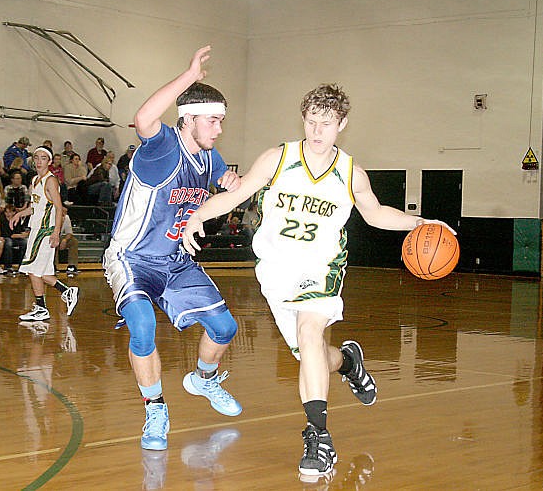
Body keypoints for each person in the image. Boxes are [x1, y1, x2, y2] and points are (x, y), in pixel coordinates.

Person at [182, 83, 456, 477]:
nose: (316, 132)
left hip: (321, 267)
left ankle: (318, 437)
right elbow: (236, 195)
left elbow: (376, 214)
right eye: (311, 122)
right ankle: (347, 362)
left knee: (311, 333)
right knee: (312, 355)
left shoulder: (350, 173)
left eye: (325, 124)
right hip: (276, 271)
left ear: (341, 124)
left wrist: (420, 222)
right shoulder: (278, 159)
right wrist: (199, 214)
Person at [102, 46, 242, 451]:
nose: (218, 128)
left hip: (175, 261)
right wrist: (188, 76)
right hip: (133, 257)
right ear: (188, 119)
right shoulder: (163, 146)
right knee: (142, 326)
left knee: (225, 328)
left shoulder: (210, 157)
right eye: (212, 120)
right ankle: (155, 409)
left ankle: (203, 379)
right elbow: (144, 118)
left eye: (221, 121)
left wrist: (232, 180)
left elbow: (223, 178)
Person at [10, 147, 79, 323]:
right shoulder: (35, 180)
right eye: (37, 158)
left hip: (45, 231)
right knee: (40, 272)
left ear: (49, 162)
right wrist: (20, 214)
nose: (39, 161)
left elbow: (58, 207)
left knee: (32, 269)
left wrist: (56, 232)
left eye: (43, 158)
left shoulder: (51, 181)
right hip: (36, 229)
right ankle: (66, 292)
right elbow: (36, 207)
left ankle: (42, 307)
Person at [0, 204, 28, 273]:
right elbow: (9, 235)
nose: (8, 214)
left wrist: (23, 234)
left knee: (25, 242)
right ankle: (7, 266)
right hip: (5, 238)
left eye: (10, 212)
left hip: (15, 238)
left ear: (14, 213)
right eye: (6, 212)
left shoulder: (16, 220)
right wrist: (21, 235)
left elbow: (18, 231)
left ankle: (21, 265)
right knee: (8, 242)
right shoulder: (3, 220)